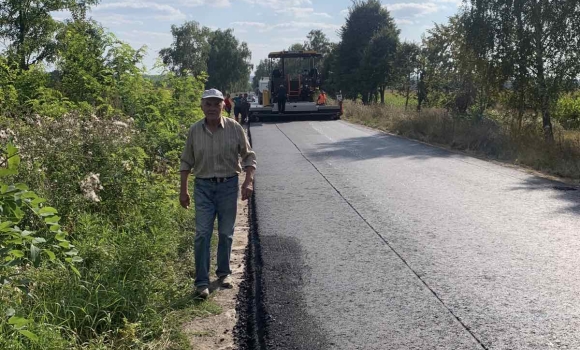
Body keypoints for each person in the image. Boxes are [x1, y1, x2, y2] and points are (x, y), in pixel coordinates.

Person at [180, 88, 257, 299]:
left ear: (224, 105)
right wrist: (183, 190)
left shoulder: (234, 128)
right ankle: (202, 283)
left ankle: (224, 274)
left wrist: (248, 183)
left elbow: (249, 157)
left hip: (228, 186)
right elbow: (186, 161)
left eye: (216, 104)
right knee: (202, 234)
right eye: (208, 104)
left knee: (225, 232)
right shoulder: (195, 130)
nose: (212, 108)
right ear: (202, 106)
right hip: (203, 188)